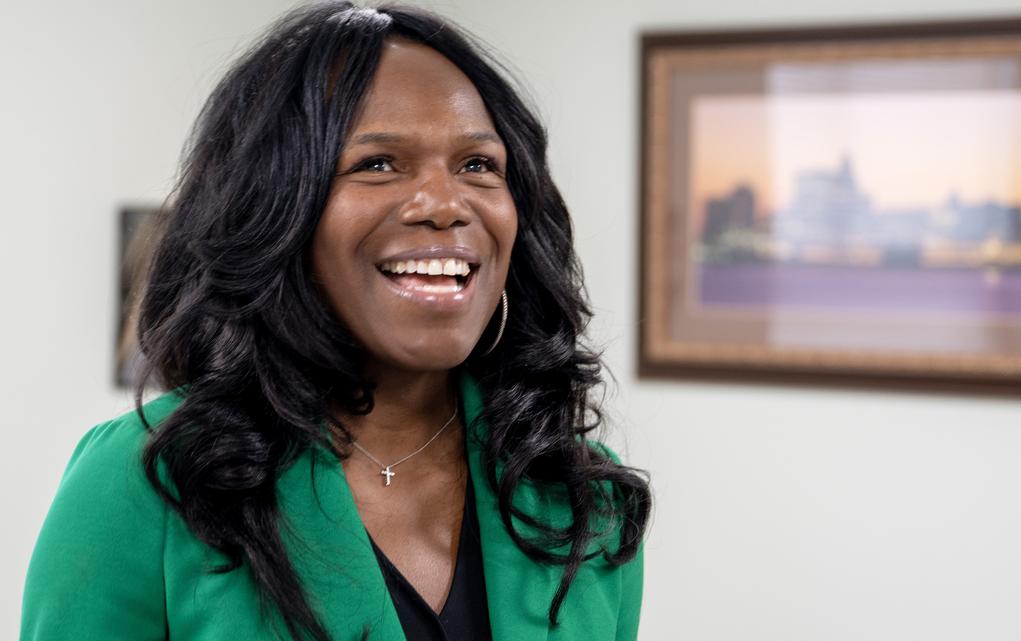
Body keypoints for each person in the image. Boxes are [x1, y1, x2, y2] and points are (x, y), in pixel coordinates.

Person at [20, 4, 650, 640]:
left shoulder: (580, 500)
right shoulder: (148, 482)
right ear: (276, 211)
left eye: (478, 165)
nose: (445, 204)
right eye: (377, 163)